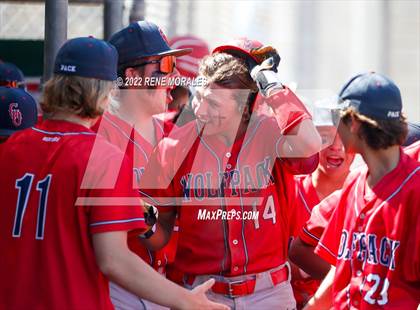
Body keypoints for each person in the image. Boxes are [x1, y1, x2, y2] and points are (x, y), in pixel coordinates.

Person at [0, 36, 227, 310]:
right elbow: (114, 260)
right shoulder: (102, 156)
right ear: (106, 91)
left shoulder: (12, 147)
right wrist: (187, 301)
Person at [139, 38, 322, 309]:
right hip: (200, 292)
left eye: (214, 105)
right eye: (199, 97)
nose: (200, 111)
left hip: (269, 295)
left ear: (244, 108)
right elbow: (161, 228)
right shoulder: (174, 146)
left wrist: (271, 84)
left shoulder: (270, 134)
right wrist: (143, 224)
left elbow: (310, 143)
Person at [92, 21, 193, 310]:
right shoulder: (99, 135)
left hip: (167, 283)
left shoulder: (175, 135)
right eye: (164, 64)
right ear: (132, 75)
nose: (173, 75)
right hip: (115, 288)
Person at [308, 72, 420, 309]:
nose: (337, 128)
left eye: (339, 118)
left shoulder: (414, 191)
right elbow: (341, 266)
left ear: (355, 123)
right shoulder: (355, 181)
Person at [288, 103, 355, 309]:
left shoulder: (365, 195)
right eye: (325, 137)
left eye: (345, 138)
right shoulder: (290, 190)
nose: (336, 146)